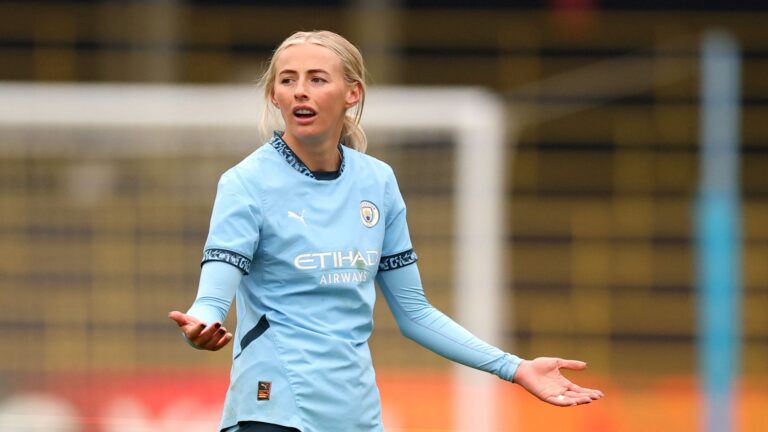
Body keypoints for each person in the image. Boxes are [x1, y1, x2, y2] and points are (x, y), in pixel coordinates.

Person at [169, 30, 603, 432]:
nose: (300, 90)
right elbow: (211, 299)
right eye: (287, 80)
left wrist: (515, 367)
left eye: (317, 79)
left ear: (352, 93)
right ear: (274, 96)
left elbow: (415, 314)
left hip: (356, 415)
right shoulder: (246, 183)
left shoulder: (377, 182)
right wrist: (201, 325)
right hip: (273, 410)